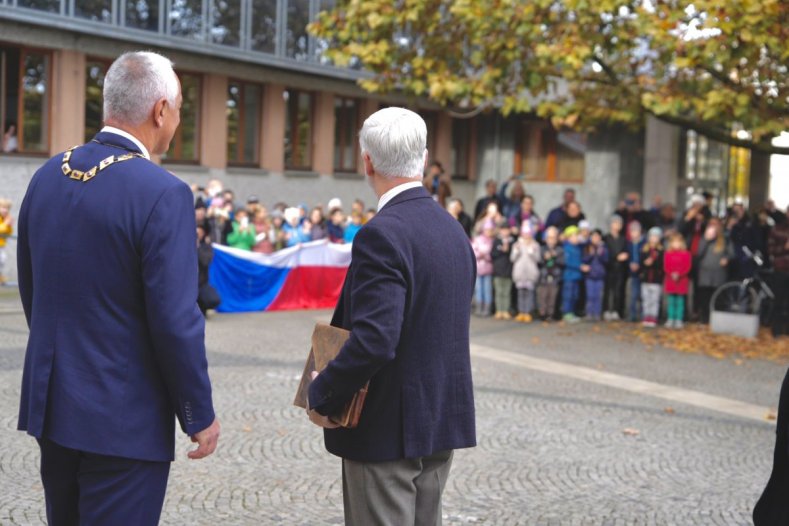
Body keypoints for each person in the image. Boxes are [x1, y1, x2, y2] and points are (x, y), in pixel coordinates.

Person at [16, 51, 219, 525]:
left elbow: (33, 290)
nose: (178, 119)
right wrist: (198, 412)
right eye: (181, 107)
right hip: (123, 420)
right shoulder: (162, 192)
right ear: (160, 110)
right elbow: (175, 319)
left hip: (55, 407)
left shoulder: (47, 175)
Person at [306, 107, 476, 526]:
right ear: (422, 155)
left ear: (367, 161)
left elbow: (376, 338)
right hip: (437, 418)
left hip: (386, 425)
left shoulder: (383, 232)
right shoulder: (452, 229)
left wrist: (323, 390)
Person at [695, 218, 733, 324]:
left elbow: (731, 253)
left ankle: (717, 319)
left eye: (715, 224)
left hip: (718, 273)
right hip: (705, 273)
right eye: (711, 224)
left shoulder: (725, 239)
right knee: (704, 297)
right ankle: (704, 318)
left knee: (718, 296)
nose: (713, 226)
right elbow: (698, 253)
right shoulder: (704, 238)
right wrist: (706, 240)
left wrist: (726, 258)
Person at [511, 223, 541, 323]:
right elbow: (512, 258)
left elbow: (538, 259)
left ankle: (528, 312)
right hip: (520, 273)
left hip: (530, 274)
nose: (526, 236)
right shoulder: (517, 244)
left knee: (529, 294)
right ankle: (521, 311)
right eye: (524, 233)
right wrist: (516, 251)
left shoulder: (535, 245)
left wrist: (532, 253)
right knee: (520, 294)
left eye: (528, 233)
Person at [766, 214, 789, 337]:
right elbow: (770, 249)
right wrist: (784, 247)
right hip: (781, 269)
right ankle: (777, 329)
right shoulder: (777, 229)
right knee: (779, 300)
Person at [663, 232, 692, 328]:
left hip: (682, 281)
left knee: (680, 301)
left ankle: (679, 319)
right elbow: (666, 266)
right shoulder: (668, 253)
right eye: (674, 242)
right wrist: (672, 273)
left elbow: (687, 267)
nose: (676, 244)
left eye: (678, 242)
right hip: (670, 280)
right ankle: (671, 318)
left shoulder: (686, 254)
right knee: (671, 301)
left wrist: (679, 274)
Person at [603, 215, 628, 321]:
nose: (617, 225)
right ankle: (606, 310)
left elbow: (626, 251)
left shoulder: (623, 239)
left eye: (619, 223)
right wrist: (616, 257)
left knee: (619, 290)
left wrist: (625, 256)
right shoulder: (606, 238)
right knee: (608, 290)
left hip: (620, 268)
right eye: (615, 223)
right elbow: (604, 252)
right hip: (609, 267)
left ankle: (617, 310)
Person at [639, 227, 665, 327]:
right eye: (652, 236)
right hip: (645, 279)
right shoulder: (644, 249)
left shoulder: (661, 251)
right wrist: (645, 263)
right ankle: (646, 316)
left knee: (654, 300)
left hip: (656, 279)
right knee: (646, 299)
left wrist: (653, 262)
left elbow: (662, 265)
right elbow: (641, 263)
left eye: (656, 236)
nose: (653, 238)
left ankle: (653, 317)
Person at [537, 226, 564, 321]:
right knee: (543, 296)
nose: (551, 240)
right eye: (549, 238)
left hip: (555, 276)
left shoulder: (559, 250)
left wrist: (555, 256)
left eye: (553, 238)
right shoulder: (542, 249)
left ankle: (550, 314)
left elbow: (562, 263)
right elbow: (538, 262)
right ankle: (542, 313)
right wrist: (545, 257)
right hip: (543, 277)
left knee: (552, 296)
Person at [581, 229, 608, 322]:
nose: (595, 238)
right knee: (590, 295)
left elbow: (606, 260)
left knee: (598, 296)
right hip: (590, 275)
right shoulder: (587, 247)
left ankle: (597, 313)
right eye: (594, 236)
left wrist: (601, 254)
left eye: (597, 236)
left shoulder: (603, 248)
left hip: (600, 275)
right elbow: (584, 260)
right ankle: (589, 313)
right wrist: (591, 254)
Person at [472, 220, 496, 316]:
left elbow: (493, 254)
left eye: (490, 230)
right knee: (479, 289)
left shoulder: (493, 241)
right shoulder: (477, 239)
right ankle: (479, 307)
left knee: (487, 289)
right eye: (487, 230)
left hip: (488, 268)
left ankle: (487, 308)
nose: (489, 232)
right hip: (478, 268)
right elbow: (473, 251)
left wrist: (486, 256)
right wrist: (479, 255)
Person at [491, 224, 515, 320]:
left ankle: (505, 310)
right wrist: (502, 250)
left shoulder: (513, 242)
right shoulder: (496, 241)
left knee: (506, 292)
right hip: (498, 270)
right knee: (499, 291)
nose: (505, 232)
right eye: (503, 230)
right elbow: (493, 254)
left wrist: (508, 250)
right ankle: (499, 310)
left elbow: (513, 256)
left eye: (507, 230)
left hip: (508, 270)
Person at [561, 226, 583, 323]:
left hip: (576, 276)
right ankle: (566, 313)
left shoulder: (578, 248)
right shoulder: (566, 248)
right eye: (575, 236)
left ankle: (572, 312)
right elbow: (567, 262)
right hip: (569, 276)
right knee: (568, 295)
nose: (577, 238)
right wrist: (580, 266)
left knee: (575, 295)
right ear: (569, 237)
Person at [197, 225, 220, 315]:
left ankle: (203, 308)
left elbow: (206, 261)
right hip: (187, 283)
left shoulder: (206, 247)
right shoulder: (185, 247)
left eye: (199, 233)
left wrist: (197, 247)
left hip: (201, 283)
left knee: (213, 299)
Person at [625, 221, 645, 322]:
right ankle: (632, 315)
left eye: (636, 230)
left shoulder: (644, 243)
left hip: (642, 273)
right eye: (632, 231)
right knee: (633, 294)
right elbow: (627, 256)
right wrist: (630, 264)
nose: (634, 233)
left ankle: (642, 315)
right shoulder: (629, 244)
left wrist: (640, 266)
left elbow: (644, 257)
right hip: (633, 273)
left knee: (642, 295)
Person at [0, 198, 13, 285]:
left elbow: (9, 232)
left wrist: (9, 225)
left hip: (1, 244)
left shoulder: (5, 218)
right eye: (3, 207)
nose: (5, 210)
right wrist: (5, 224)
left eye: (7, 208)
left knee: (2, 259)